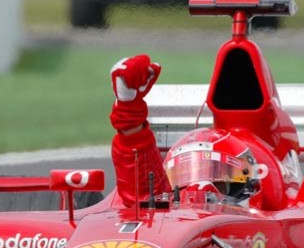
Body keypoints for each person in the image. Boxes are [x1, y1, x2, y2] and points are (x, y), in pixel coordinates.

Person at [110, 54, 264, 207]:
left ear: (247, 185)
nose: (202, 191)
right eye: (184, 183)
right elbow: (147, 198)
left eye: (219, 182)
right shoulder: (168, 209)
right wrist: (130, 117)